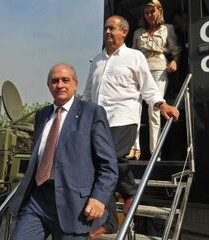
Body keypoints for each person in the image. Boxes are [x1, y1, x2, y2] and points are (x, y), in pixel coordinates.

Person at [83, 15, 179, 238]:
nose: (107, 32)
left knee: (111, 159)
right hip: (98, 120)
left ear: (124, 32)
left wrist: (162, 104)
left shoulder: (135, 57)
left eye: (112, 28)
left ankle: (123, 200)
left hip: (124, 118)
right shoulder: (97, 60)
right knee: (100, 164)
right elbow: (88, 92)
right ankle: (118, 208)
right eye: (106, 28)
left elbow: (148, 87)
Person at [9, 63, 119, 240]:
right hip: (38, 200)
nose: (60, 85)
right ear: (49, 86)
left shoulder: (91, 113)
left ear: (75, 84)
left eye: (65, 80)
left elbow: (109, 165)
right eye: (55, 81)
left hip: (74, 206)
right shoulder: (42, 115)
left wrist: (99, 197)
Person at [131, 0, 182, 160]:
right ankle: (135, 148)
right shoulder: (138, 32)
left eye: (152, 11)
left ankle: (155, 152)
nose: (149, 15)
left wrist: (175, 61)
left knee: (154, 108)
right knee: (134, 106)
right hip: (140, 69)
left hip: (159, 68)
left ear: (159, 11)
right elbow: (132, 54)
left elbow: (176, 50)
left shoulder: (168, 29)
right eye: (146, 13)